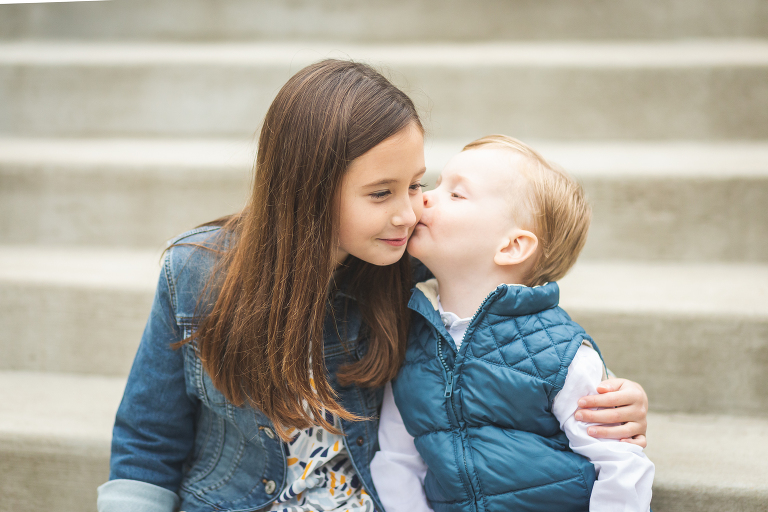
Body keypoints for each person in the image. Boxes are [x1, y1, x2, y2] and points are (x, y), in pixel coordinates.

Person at [97, 61, 650, 512]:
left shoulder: (407, 275)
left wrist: (612, 401)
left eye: (415, 184)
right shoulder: (193, 273)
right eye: (381, 194)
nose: (411, 212)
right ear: (306, 192)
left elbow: (511, 321)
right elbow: (148, 444)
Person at [370, 135, 655, 512]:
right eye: (436, 184)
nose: (423, 197)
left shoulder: (560, 352)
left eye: (456, 195)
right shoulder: (411, 340)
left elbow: (621, 464)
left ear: (511, 246)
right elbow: (397, 460)